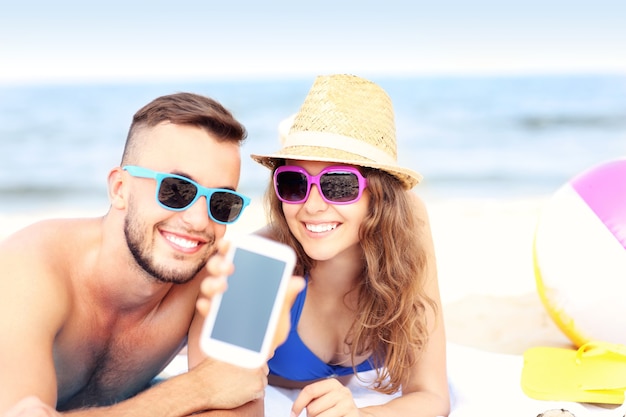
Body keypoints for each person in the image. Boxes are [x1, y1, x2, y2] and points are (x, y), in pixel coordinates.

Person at [0, 92, 304, 417]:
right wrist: (195, 388)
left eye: (221, 203)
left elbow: (235, 403)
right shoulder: (27, 271)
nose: (199, 221)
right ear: (120, 189)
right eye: (176, 191)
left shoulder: (213, 278)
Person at [251, 74, 451, 416]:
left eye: (339, 185)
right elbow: (225, 392)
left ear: (380, 195)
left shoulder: (409, 227)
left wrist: (358, 415)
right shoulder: (261, 259)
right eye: (295, 182)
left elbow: (431, 395)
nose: (311, 206)